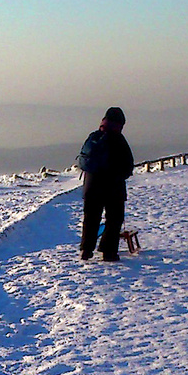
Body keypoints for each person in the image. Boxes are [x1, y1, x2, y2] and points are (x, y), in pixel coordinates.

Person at [76, 106, 135, 261]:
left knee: (91, 218)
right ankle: (108, 252)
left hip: (91, 186)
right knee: (114, 218)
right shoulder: (118, 139)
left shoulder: (94, 137)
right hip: (113, 188)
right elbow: (128, 166)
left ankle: (86, 250)